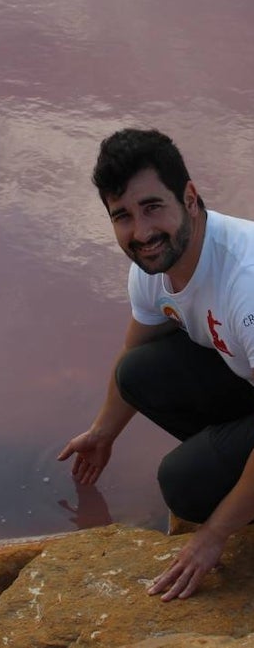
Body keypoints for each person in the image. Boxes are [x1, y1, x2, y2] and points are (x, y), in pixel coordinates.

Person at [58, 128, 254, 601]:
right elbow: (135, 356)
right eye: (122, 216)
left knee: (183, 484)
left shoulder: (245, 284)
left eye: (152, 207)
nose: (141, 233)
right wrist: (103, 433)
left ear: (189, 197)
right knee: (136, 373)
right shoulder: (154, 268)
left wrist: (215, 534)